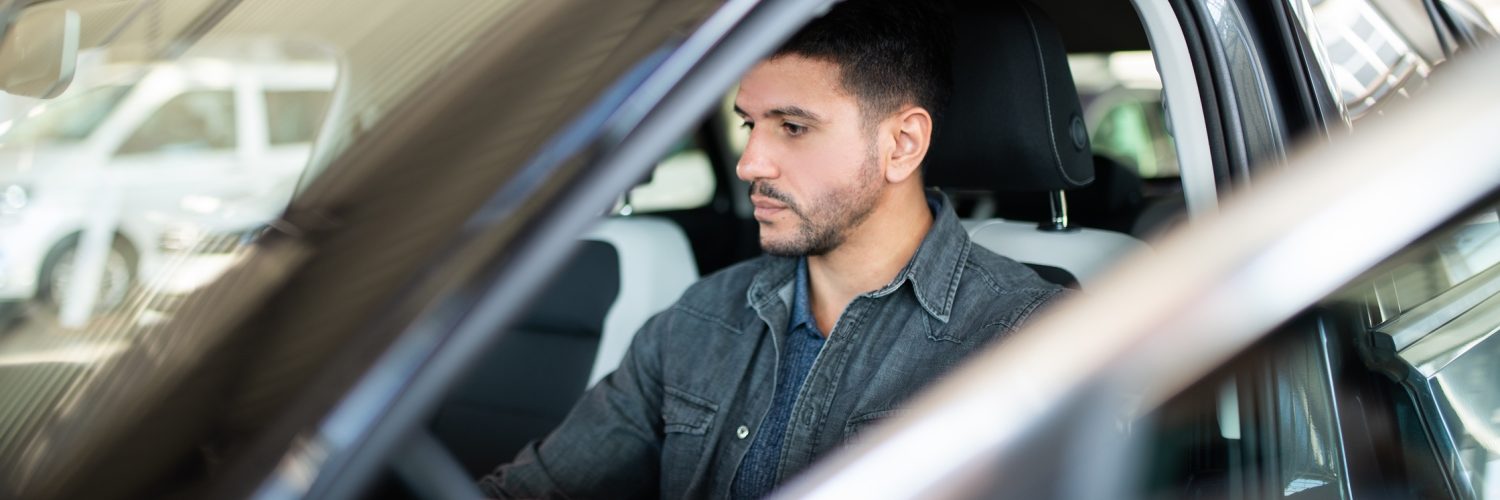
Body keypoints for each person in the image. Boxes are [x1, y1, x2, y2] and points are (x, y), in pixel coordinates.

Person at [479, 1, 1067, 498]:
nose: (749, 163)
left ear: (902, 145)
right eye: (748, 125)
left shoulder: (1023, 339)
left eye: (792, 127)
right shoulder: (698, 319)